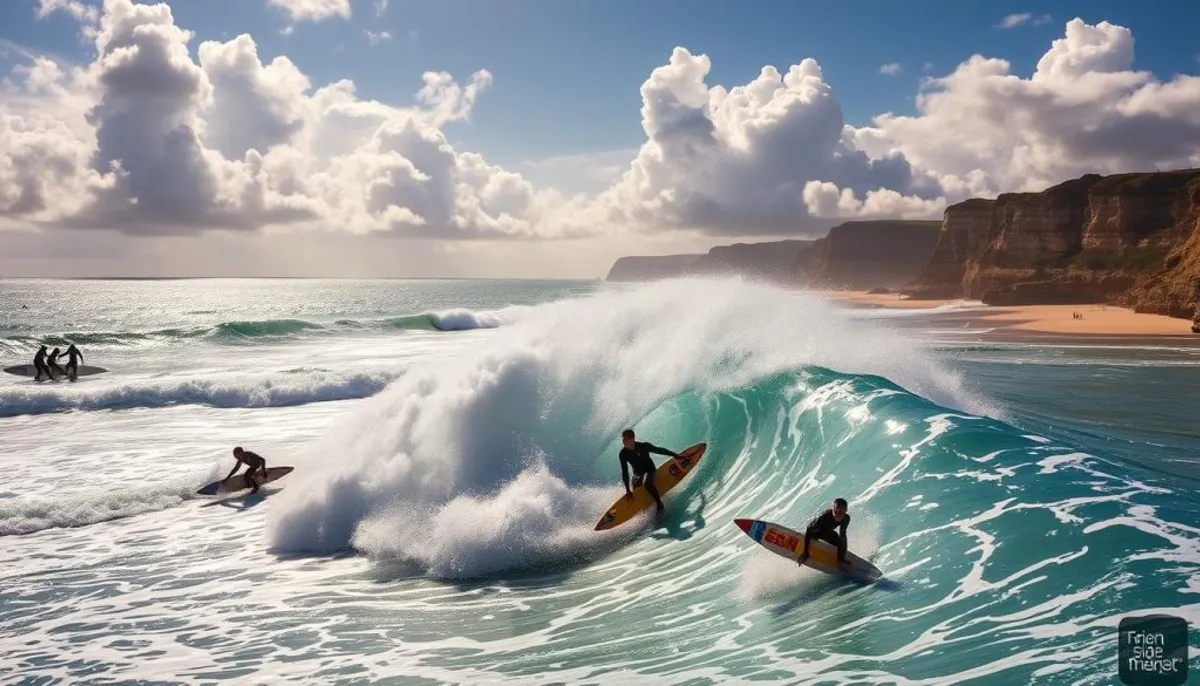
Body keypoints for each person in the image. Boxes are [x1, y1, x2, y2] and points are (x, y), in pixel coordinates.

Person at [618, 428, 680, 514]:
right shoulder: (623, 454)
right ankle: (646, 506)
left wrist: (675, 455)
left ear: (632, 439)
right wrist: (627, 490)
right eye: (623, 439)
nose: (623, 441)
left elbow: (659, 450)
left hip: (650, 470)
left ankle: (659, 503)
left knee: (647, 484)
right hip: (637, 474)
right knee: (637, 491)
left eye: (625, 439)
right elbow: (624, 472)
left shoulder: (644, 446)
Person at [797, 498, 851, 570]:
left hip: (826, 531)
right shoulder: (823, 517)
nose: (837, 515)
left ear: (846, 511)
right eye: (836, 511)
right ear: (832, 509)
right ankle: (809, 547)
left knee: (840, 542)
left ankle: (840, 561)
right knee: (814, 534)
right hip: (814, 530)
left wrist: (842, 558)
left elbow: (843, 536)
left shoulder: (846, 518)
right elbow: (809, 529)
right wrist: (806, 552)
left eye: (841, 513)